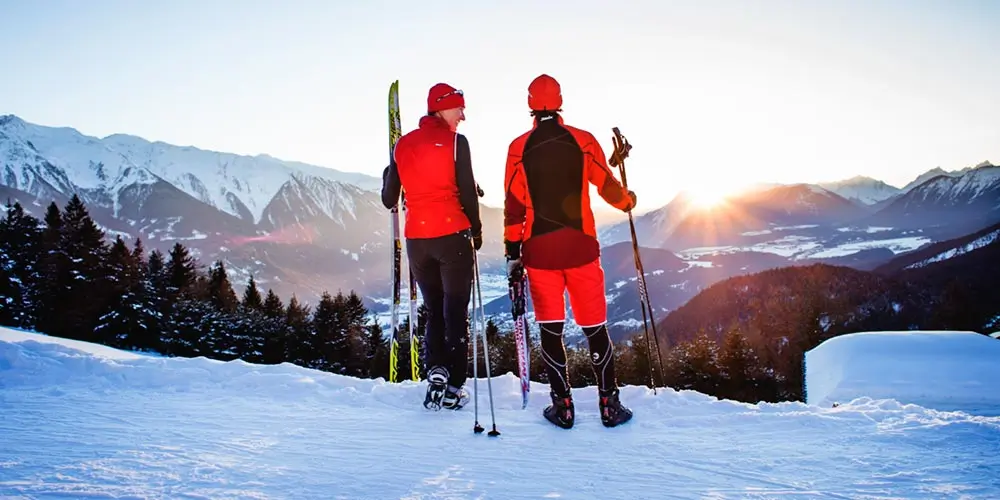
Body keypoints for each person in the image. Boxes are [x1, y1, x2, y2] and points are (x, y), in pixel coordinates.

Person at [502, 74, 636, 429]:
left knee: (551, 330)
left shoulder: (518, 148)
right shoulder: (582, 140)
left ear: (530, 104)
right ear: (560, 101)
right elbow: (606, 185)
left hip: (540, 253)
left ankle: (562, 407)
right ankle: (609, 405)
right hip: (581, 250)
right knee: (595, 327)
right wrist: (627, 201)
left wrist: (512, 251)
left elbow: (514, 206)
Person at [381, 82, 483, 411]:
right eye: (458, 108)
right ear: (440, 108)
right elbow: (466, 192)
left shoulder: (403, 146)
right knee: (455, 313)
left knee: (433, 309)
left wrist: (389, 173)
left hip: (417, 243)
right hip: (453, 235)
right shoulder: (457, 144)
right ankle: (454, 386)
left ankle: (435, 371)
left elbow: (388, 199)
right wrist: (477, 230)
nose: (463, 116)